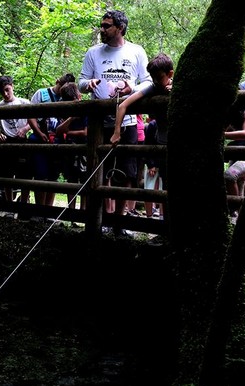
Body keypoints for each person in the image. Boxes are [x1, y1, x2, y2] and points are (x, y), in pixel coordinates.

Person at [78, 9, 153, 236]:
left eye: (106, 26)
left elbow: (147, 81)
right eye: (102, 25)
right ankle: (98, 221)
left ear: (120, 28)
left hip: (128, 120)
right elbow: (81, 82)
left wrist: (132, 89)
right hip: (99, 122)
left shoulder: (136, 51)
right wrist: (88, 83)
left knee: (125, 174)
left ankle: (119, 223)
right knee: (98, 171)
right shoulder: (93, 52)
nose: (102, 29)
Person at [112, 53, 174, 220]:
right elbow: (123, 105)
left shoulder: (179, 88)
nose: (155, 80)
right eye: (152, 77)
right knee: (166, 188)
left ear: (170, 74)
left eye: (159, 77)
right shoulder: (153, 88)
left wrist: (175, 93)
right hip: (162, 146)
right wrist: (117, 131)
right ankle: (166, 228)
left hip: (179, 146)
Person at [27, 72, 76, 206]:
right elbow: (30, 115)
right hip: (40, 137)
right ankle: (40, 208)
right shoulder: (41, 93)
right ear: (57, 82)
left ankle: (48, 210)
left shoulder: (67, 98)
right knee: (40, 173)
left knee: (53, 174)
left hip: (58, 140)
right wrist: (38, 132)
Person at [0, 75, 32, 205]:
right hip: (6, 143)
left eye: (7, 89)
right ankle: (9, 204)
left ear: (12, 87)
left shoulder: (24, 103)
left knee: (25, 174)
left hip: (22, 141)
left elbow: (33, 121)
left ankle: (24, 205)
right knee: (7, 175)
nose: (5, 94)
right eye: (2, 91)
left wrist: (25, 129)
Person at [55, 82, 88, 210]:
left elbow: (86, 132)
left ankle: (83, 212)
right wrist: (71, 119)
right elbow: (58, 130)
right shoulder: (65, 111)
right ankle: (71, 211)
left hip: (83, 149)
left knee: (85, 180)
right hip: (70, 149)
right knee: (71, 180)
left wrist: (68, 132)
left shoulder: (85, 110)